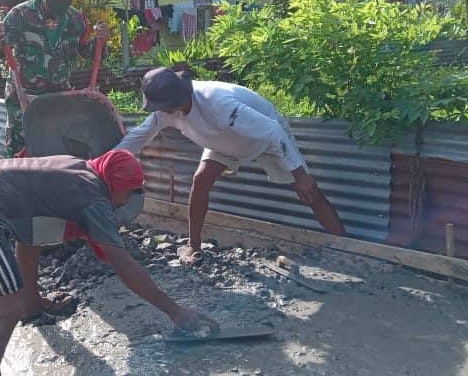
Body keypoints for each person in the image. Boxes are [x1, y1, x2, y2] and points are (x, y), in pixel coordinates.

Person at [0, 149, 219, 376]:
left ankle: (32, 302)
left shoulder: (81, 167)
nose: (126, 202)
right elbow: (124, 264)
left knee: (22, 289)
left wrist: (33, 299)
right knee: (6, 309)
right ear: (115, 184)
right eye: (128, 192)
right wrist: (175, 311)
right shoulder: (92, 197)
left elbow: (30, 237)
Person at [116, 68, 347, 264]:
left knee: (308, 192)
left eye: (161, 106)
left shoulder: (218, 103)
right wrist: (106, 163)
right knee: (201, 180)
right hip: (223, 141)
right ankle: (193, 247)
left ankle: (344, 245)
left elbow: (273, 132)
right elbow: (140, 136)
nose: (159, 111)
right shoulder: (166, 113)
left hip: (264, 140)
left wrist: (300, 175)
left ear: (176, 100)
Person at [0, 0, 110, 158]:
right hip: (24, 96)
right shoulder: (19, 15)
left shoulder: (76, 20)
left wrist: (100, 42)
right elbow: (3, 51)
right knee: (22, 149)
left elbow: (88, 52)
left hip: (59, 96)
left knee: (59, 147)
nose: (64, 0)